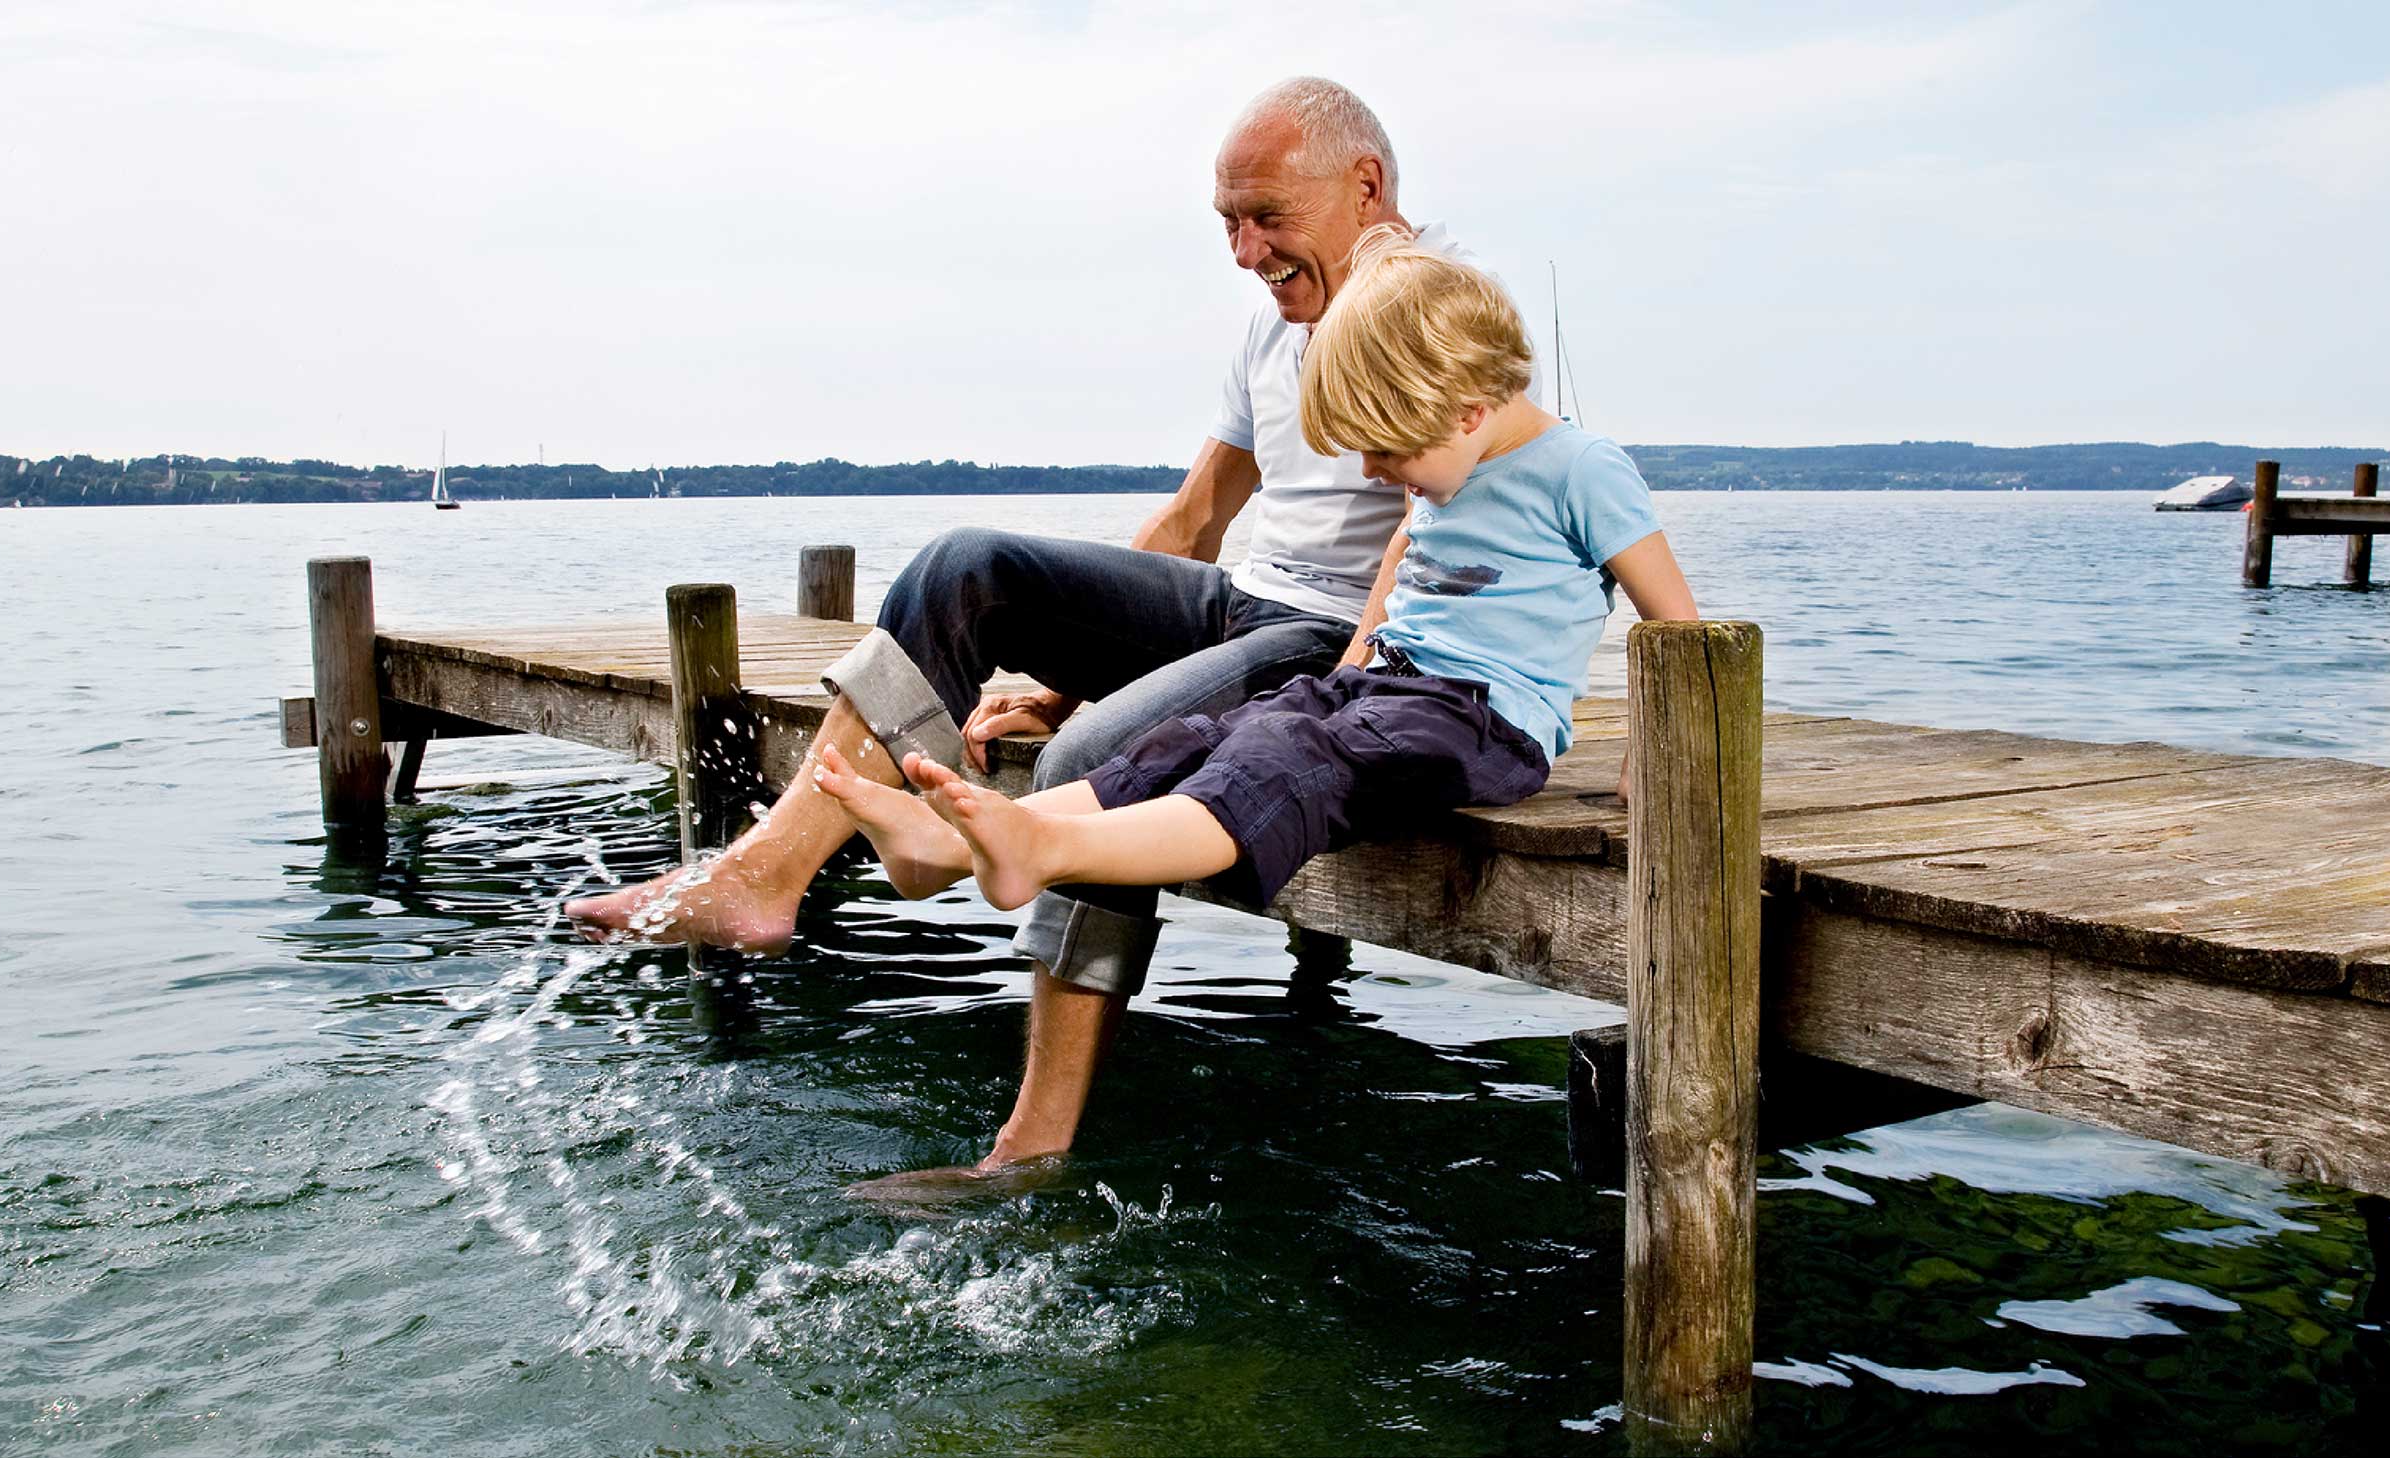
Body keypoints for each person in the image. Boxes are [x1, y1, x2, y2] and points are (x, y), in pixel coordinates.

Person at [565, 79, 1482, 1171]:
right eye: (1227, 222)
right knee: (968, 567)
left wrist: (1347, 677)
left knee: (1102, 756)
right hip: (1239, 602)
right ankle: (773, 871)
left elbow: (1440, 524)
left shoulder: (1444, 307)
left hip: (1331, 641)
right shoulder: (1269, 333)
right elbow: (1196, 517)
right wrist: (1067, 667)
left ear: (1366, 186)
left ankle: (1030, 1141)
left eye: (1266, 219)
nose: (1244, 250)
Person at [809, 232, 1698, 987]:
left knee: (1285, 755)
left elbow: (1679, 632)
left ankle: (1040, 847)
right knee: (1204, 736)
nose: (1377, 476)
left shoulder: (1582, 471)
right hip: (1387, 691)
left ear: (1467, 411)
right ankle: (949, 851)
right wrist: (1350, 668)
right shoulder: (1450, 466)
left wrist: (1665, 758)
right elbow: (1400, 570)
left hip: (1482, 724)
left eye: (1385, 454)